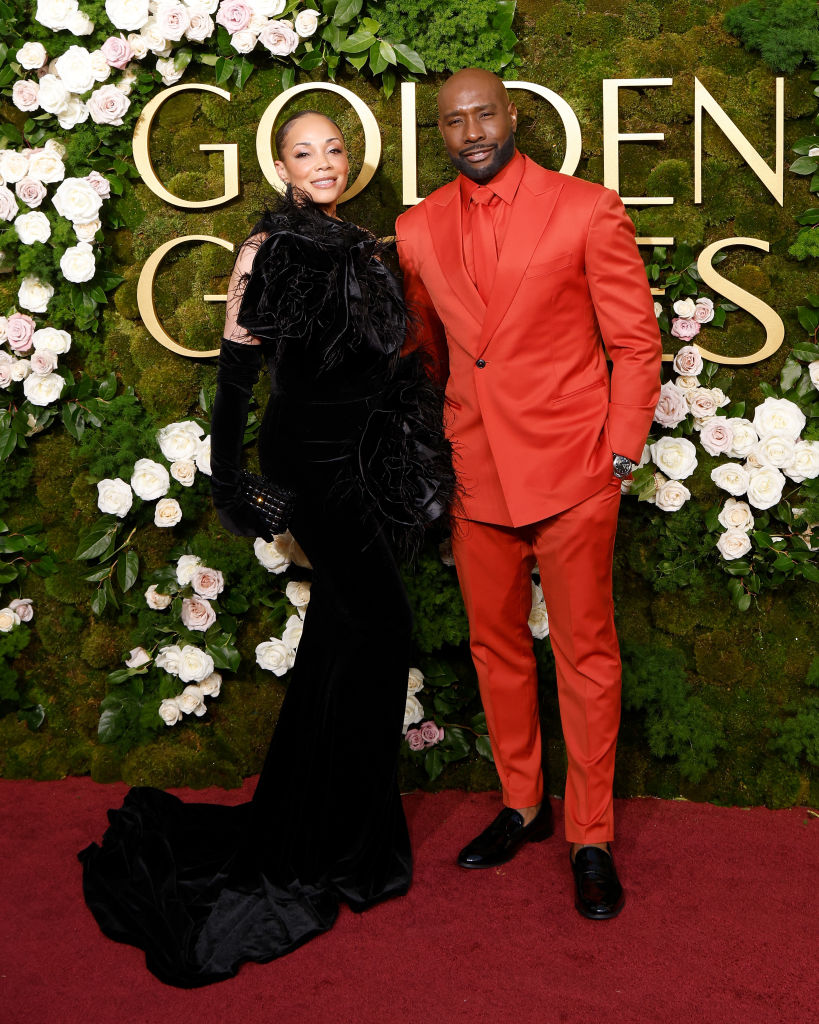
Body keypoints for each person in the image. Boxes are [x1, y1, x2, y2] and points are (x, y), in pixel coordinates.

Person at [78, 111, 454, 987]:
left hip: (365, 458)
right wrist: (227, 480)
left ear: (349, 160)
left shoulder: (364, 245)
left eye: (334, 149)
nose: (323, 163)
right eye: (304, 152)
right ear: (280, 165)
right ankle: (337, 844)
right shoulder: (267, 249)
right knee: (381, 631)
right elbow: (237, 375)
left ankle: (320, 826)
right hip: (311, 466)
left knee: (342, 637)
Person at [396, 69, 662, 919]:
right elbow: (426, 354)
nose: (471, 131)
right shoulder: (415, 229)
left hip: (574, 470)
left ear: (511, 116)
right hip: (475, 473)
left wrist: (619, 453)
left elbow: (634, 342)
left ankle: (590, 835)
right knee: (495, 648)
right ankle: (521, 803)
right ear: (440, 132)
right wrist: (437, 451)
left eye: (484, 114)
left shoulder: (586, 209)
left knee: (584, 656)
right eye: (453, 121)